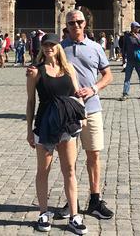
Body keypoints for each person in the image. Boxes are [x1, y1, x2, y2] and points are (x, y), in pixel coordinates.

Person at [41, 9, 114, 221]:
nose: (76, 25)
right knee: (68, 161)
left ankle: (95, 200)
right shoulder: (59, 48)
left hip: (91, 108)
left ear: (85, 23)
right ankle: (71, 202)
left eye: (79, 22)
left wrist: (94, 88)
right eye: (71, 23)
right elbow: (43, 65)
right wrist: (32, 71)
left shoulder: (96, 47)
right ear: (66, 26)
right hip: (66, 113)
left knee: (94, 154)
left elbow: (108, 75)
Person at [26, 33, 87, 234]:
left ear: (58, 46)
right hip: (45, 124)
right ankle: (43, 213)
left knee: (69, 170)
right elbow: (30, 102)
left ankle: (74, 216)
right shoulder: (35, 71)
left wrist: (83, 114)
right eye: (45, 45)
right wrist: (29, 130)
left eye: (52, 44)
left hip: (67, 124)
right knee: (43, 171)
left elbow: (77, 94)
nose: (48, 48)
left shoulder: (69, 68)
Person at [121, 22, 140, 100]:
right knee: (127, 78)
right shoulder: (127, 36)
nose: (139, 28)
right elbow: (124, 47)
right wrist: (123, 58)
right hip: (130, 60)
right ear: (133, 27)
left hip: (138, 60)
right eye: (137, 27)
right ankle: (125, 94)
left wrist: (136, 37)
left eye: (139, 27)